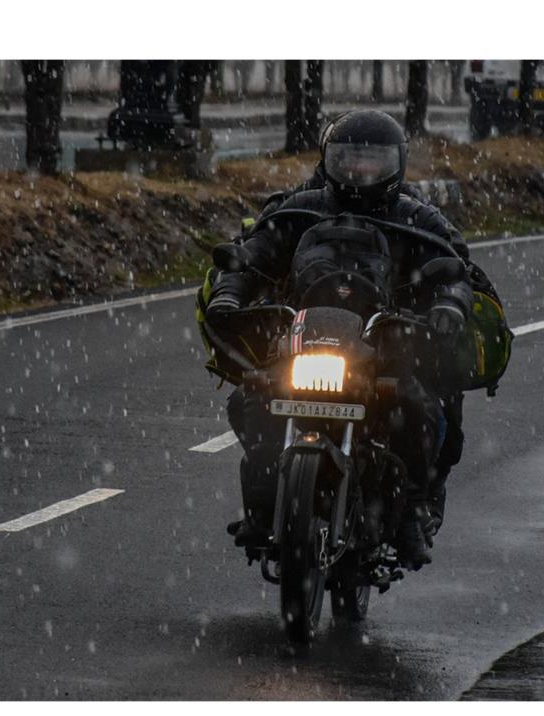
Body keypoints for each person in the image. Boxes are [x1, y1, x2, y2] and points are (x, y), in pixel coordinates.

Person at [206, 109, 480, 568]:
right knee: (252, 397)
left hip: (387, 349)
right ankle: (263, 502)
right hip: (306, 338)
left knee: (416, 406)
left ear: (396, 164)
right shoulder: (298, 209)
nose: (360, 171)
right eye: (350, 159)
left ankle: (411, 509)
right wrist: (229, 295)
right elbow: (251, 256)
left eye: (373, 162)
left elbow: (456, 270)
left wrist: (449, 306)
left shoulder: (419, 219)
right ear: (328, 158)